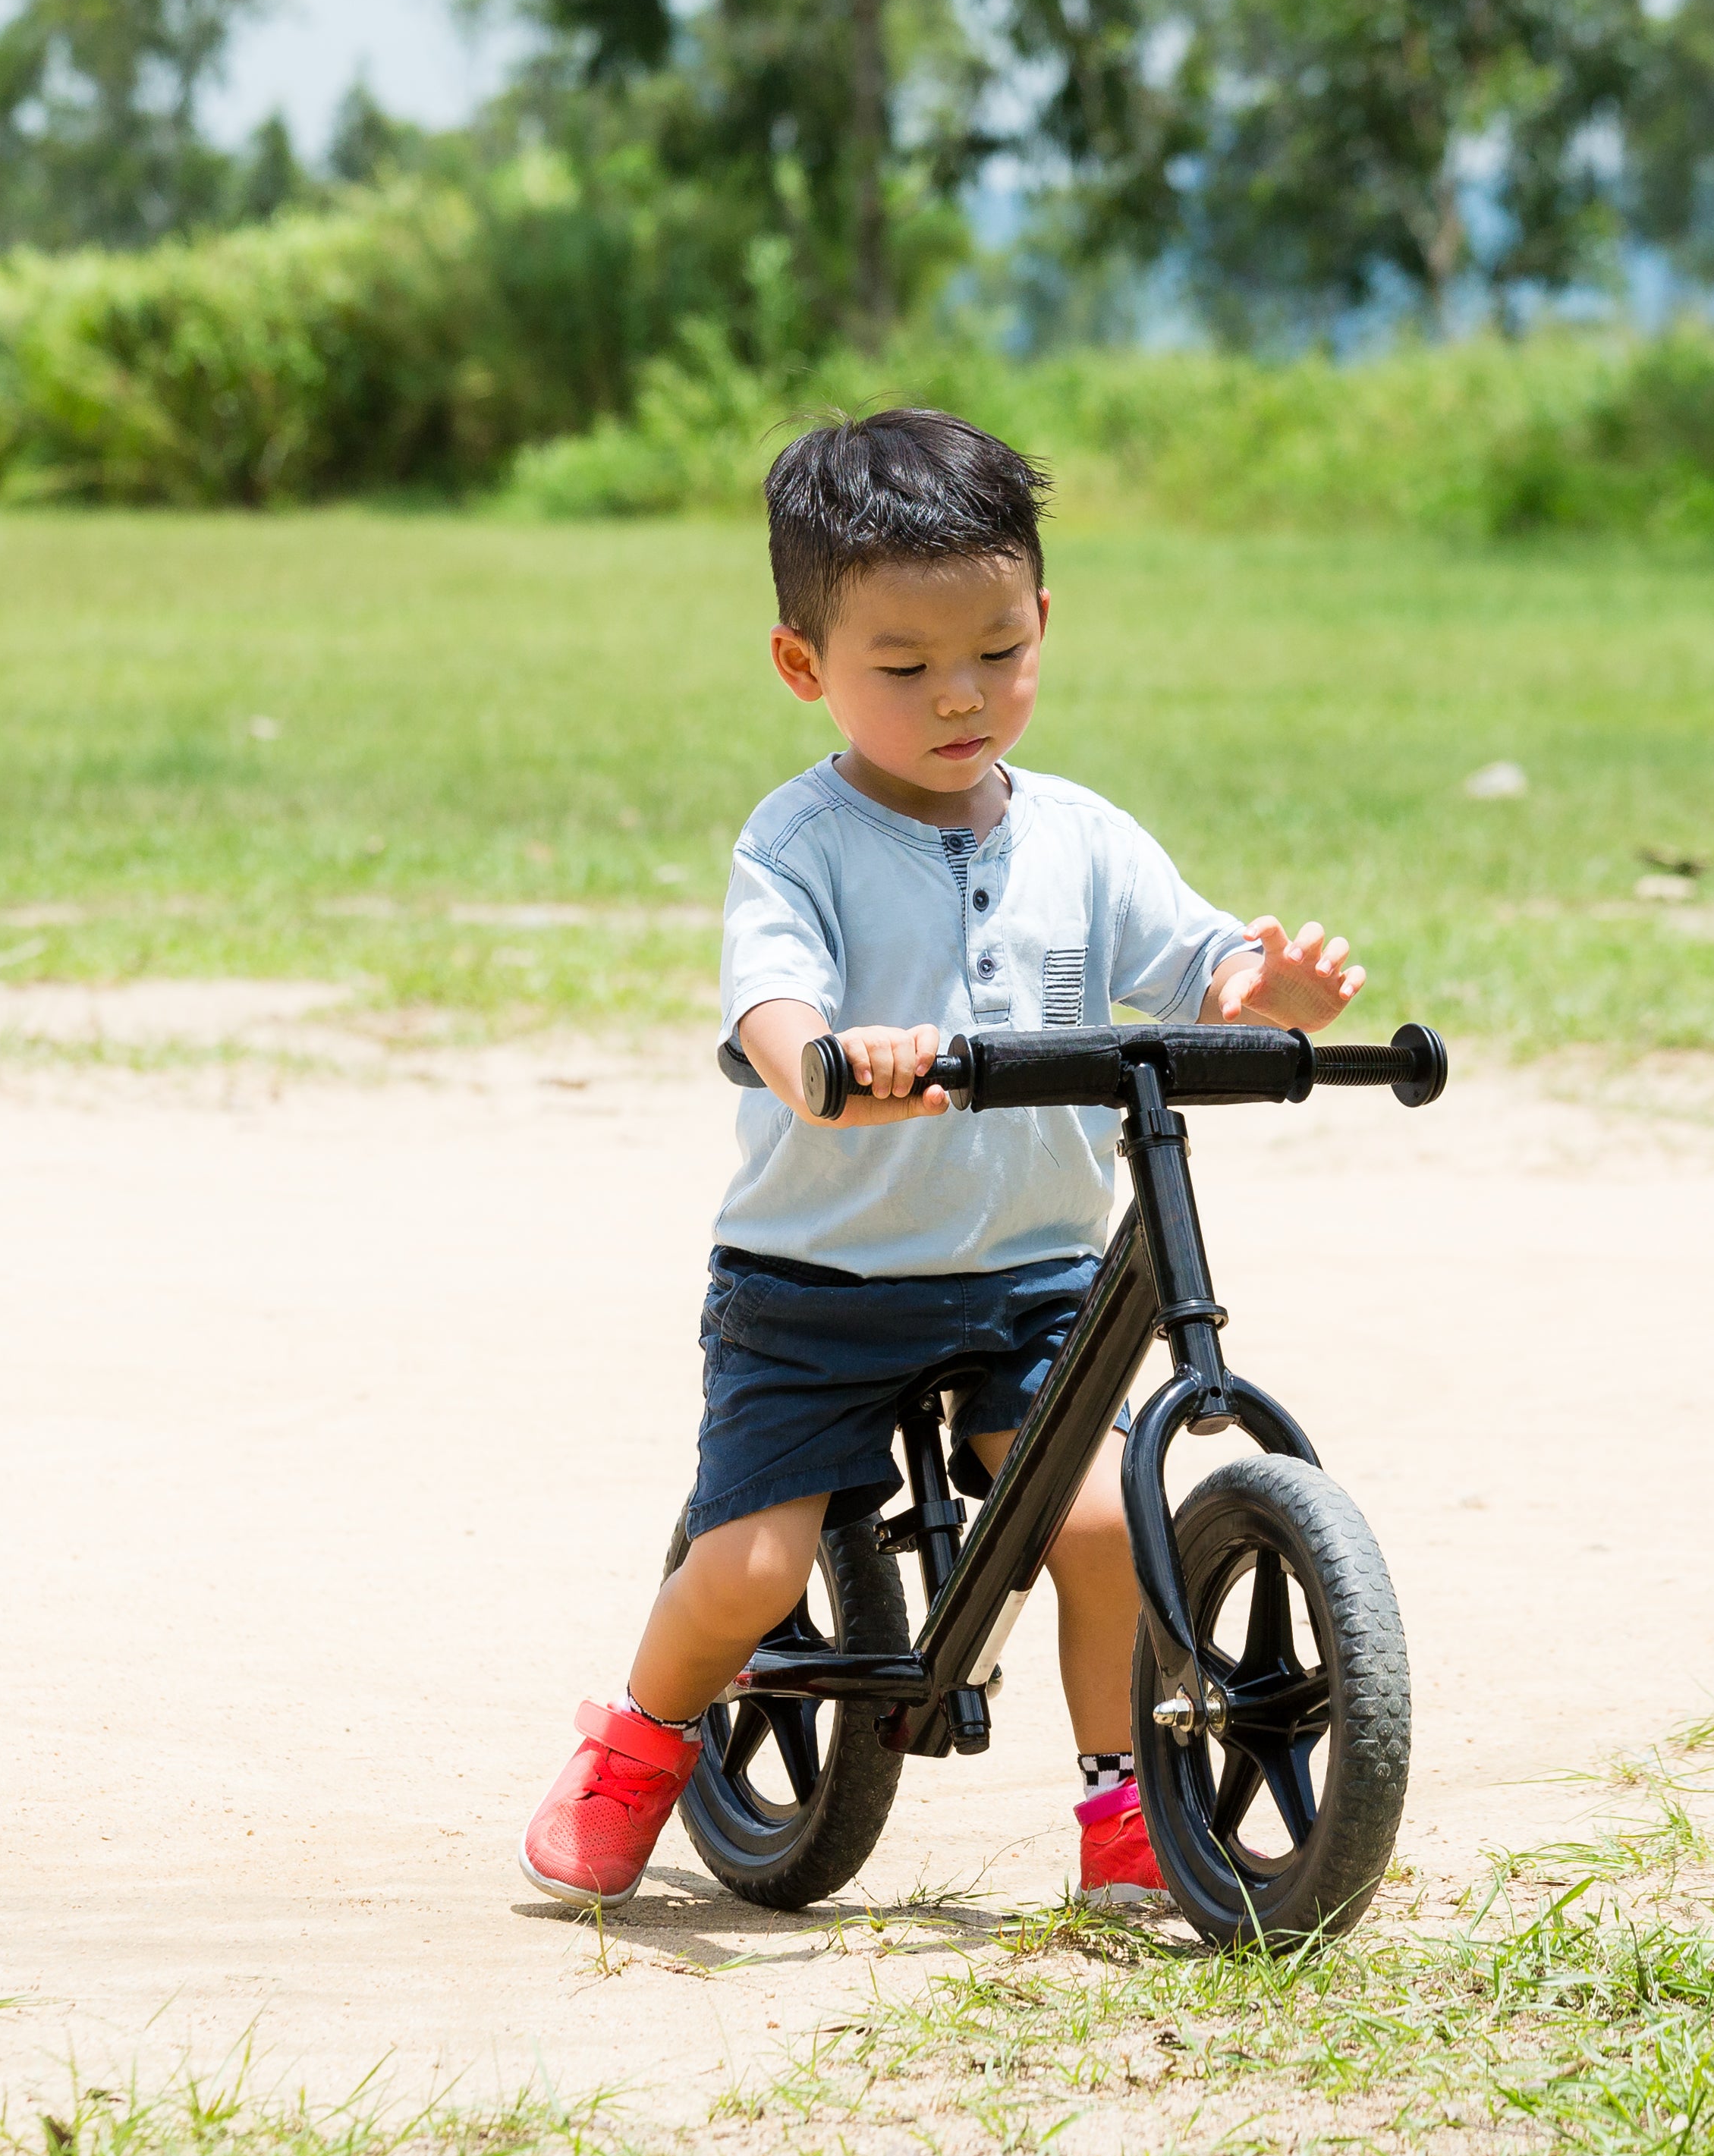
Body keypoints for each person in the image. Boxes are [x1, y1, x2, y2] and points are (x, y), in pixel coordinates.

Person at [518, 407, 1371, 1912]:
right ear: (807, 668)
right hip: (818, 1291)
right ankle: (643, 1741)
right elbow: (773, 1001)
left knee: (1103, 1522)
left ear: (1043, 619)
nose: (960, 697)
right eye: (904, 671)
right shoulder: (799, 844)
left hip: (1031, 1284)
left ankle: (1124, 1806)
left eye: (999, 652)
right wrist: (826, 1067)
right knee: (753, 1574)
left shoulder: (1084, 839)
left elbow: (1195, 958)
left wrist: (1260, 994)